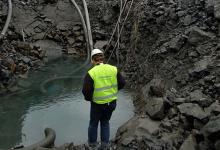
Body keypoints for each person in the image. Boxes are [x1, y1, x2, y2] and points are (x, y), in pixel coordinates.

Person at [82, 49, 125, 150]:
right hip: (112, 102)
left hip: (97, 104)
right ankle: (105, 145)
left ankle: (92, 145)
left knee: (93, 123)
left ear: (92, 60)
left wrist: (90, 99)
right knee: (105, 122)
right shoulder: (113, 69)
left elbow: (86, 91)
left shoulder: (91, 73)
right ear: (103, 58)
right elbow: (122, 82)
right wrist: (114, 91)